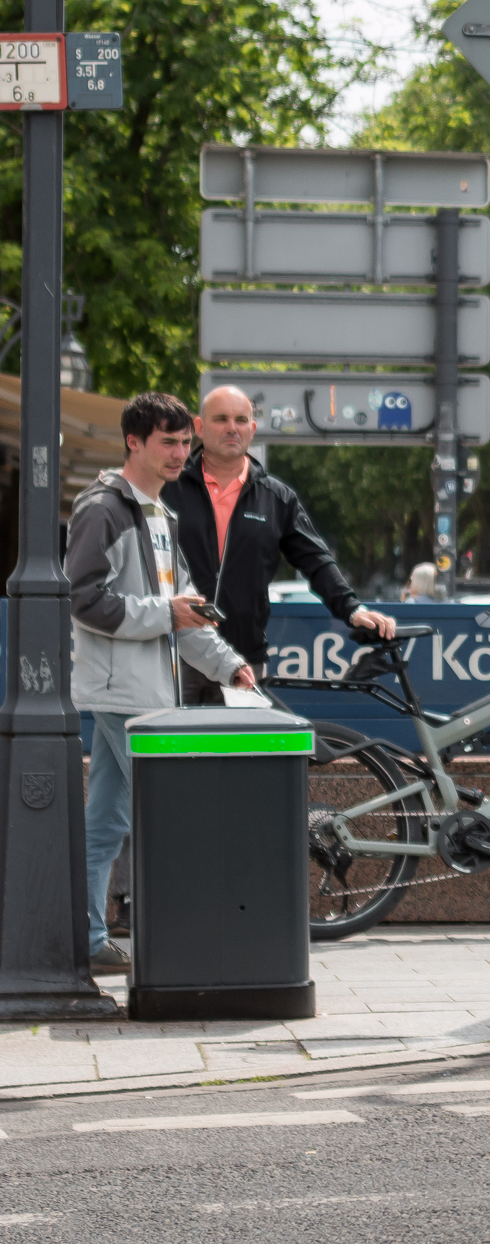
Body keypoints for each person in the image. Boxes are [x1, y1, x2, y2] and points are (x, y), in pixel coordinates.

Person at [69, 393, 254, 974]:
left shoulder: (158, 514)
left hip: (138, 694)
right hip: (123, 695)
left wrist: (228, 664)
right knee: (167, 813)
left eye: (182, 442)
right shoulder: (102, 508)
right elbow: (82, 600)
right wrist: (165, 614)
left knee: (107, 822)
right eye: (167, 442)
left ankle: (87, 938)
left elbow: (185, 613)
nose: (180, 453)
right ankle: (184, 940)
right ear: (134, 442)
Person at [166, 384, 395, 704]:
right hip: (173, 658)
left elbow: (316, 560)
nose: (232, 428)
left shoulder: (277, 498)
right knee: (170, 755)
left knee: (246, 755)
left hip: (242, 659)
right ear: (199, 427)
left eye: (241, 420)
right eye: (221, 419)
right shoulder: (167, 489)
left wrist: (352, 609)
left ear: (253, 429)